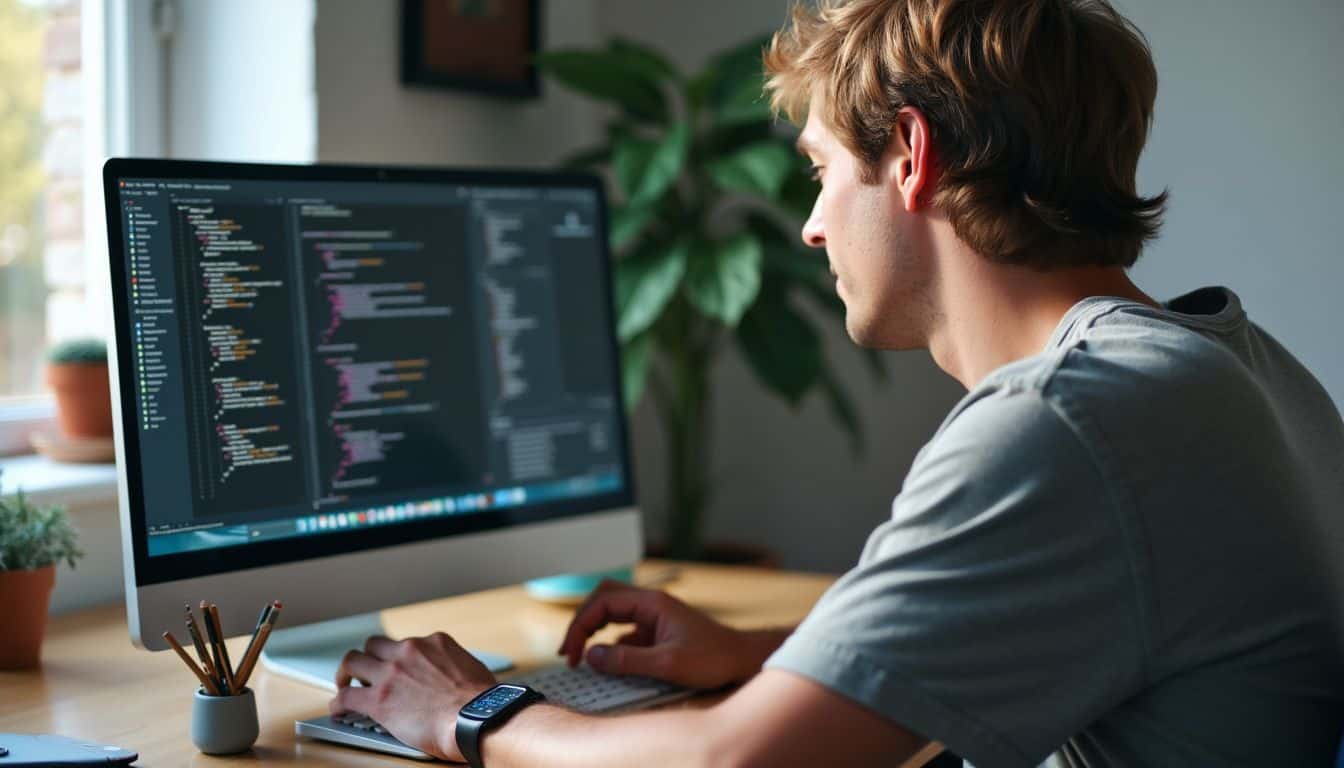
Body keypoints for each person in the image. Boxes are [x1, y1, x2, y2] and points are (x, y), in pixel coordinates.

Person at [330, 0, 1344, 765]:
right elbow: (1099, 621)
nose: (811, 225)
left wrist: (469, 712)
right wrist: (780, 653)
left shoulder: (1068, 419)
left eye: (819, 169)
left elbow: (734, 763)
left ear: (910, 155)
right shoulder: (1227, 362)